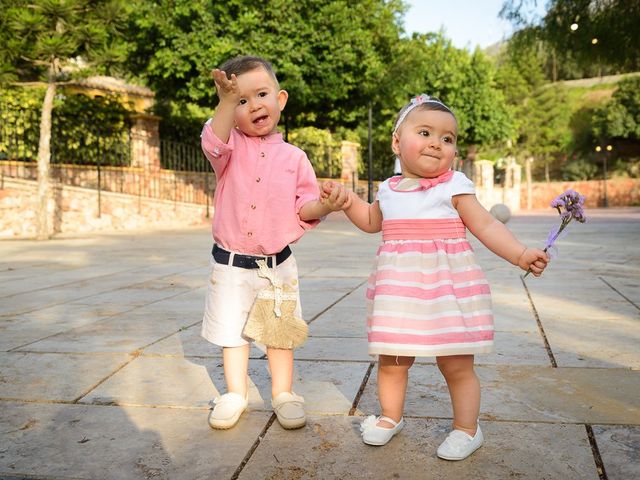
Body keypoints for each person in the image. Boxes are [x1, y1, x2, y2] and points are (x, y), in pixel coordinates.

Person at [322, 94, 549, 460]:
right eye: (425, 132)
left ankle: (466, 429)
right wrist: (348, 201)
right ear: (398, 142)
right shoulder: (388, 189)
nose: (436, 143)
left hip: (448, 291)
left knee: (456, 363)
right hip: (400, 293)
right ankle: (390, 417)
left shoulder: (454, 186)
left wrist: (520, 254)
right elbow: (370, 222)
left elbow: (487, 225)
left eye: (447, 139)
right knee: (392, 360)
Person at [201, 55, 348, 431]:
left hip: (276, 266)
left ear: (280, 99)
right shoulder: (228, 149)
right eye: (242, 101)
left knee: (279, 334)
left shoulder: (295, 158)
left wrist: (326, 205)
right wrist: (225, 101)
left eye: (261, 94)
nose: (254, 106)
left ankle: (283, 392)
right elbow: (213, 141)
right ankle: (235, 392)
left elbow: (305, 206)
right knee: (233, 334)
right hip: (232, 265)